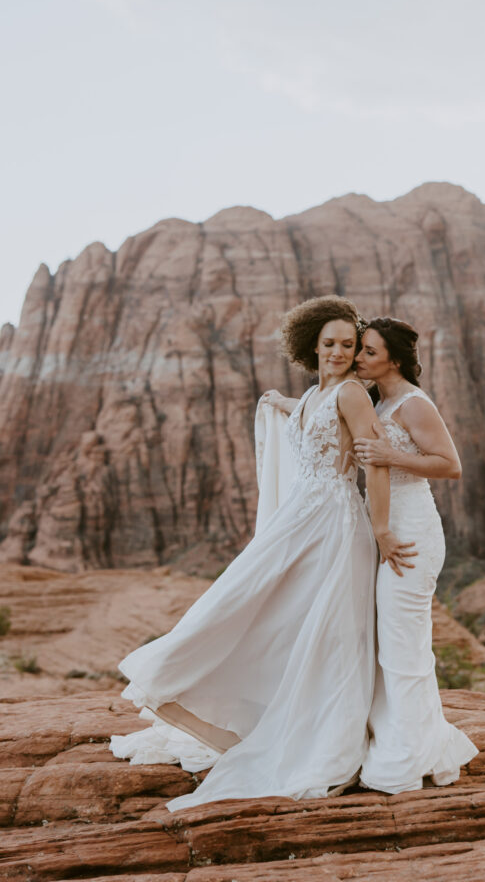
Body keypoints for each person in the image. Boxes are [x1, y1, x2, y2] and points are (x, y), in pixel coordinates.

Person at [110, 295, 414, 808]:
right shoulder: (314, 394)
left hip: (335, 526)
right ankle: (221, 697)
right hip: (300, 520)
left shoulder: (354, 395)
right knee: (261, 612)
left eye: (348, 345)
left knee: (332, 633)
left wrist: (382, 529)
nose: (340, 352)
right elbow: (311, 414)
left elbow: (375, 460)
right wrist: (282, 405)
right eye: (330, 343)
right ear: (311, 346)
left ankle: (327, 743)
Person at [354, 316, 479, 793]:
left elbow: (450, 466)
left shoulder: (412, 403)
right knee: (392, 642)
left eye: (369, 351)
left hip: (412, 536)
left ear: (395, 358)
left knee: (403, 642)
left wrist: (392, 458)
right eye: (360, 349)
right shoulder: (377, 400)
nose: (360, 358)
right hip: (385, 533)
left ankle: (408, 756)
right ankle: (407, 740)